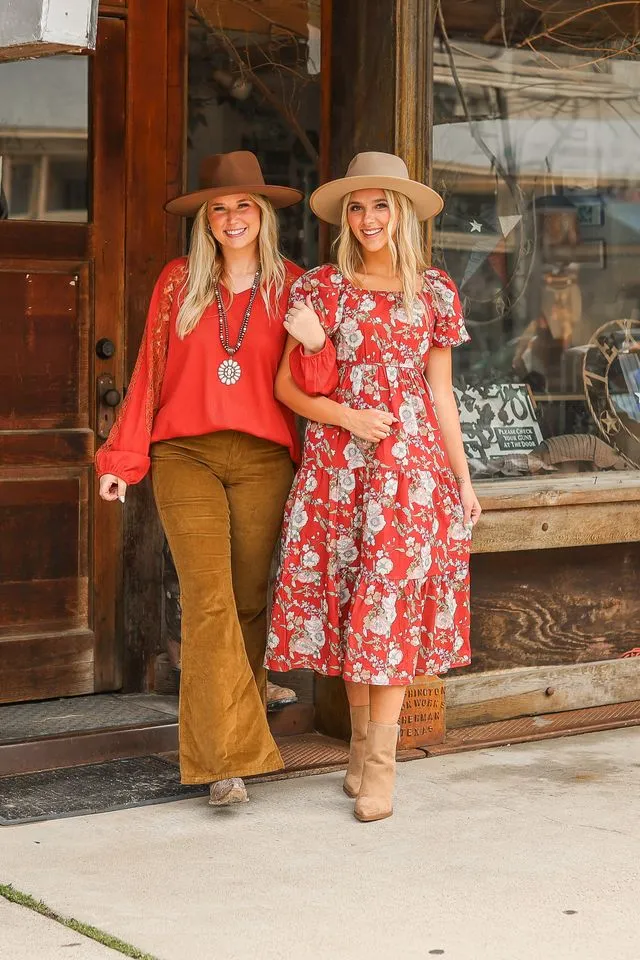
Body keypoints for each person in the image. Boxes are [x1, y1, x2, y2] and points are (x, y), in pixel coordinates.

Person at [265, 152, 482, 822]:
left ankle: (382, 769)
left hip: (409, 473)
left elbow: (441, 395)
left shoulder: (435, 290)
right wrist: (348, 416)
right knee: (355, 607)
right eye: (357, 207)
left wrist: (462, 477)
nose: (368, 219)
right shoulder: (322, 289)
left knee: (385, 608)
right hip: (338, 467)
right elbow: (287, 388)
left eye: (381, 205)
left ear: (403, 212)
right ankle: (360, 754)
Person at [96, 151, 305, 806]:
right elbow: (148, 375)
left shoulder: (295, 286)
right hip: (184, 456)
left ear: (262, 214)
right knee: (209, 600)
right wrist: (121, 461)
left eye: (243, 206)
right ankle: (226, 763)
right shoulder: (177, 282)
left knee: (246, 603)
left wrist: (318, 340)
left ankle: (232, 738)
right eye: (220, 208)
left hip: (264, 460)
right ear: (206, 220)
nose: (232, 217)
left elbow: (312, 386)